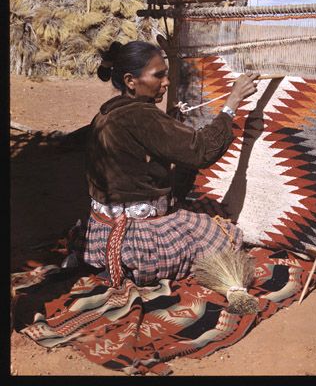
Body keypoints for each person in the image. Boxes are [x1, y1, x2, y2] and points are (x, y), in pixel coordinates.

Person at [71, 40, 258, 288]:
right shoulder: (142, 116)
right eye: (158, 76)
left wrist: (170, 123)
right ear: (130, 81)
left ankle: (98, 261)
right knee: (222, 236)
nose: (166, 82)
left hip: (100, 230)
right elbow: (200, 151)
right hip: (138, 237)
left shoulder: (106, 113)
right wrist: (232, 102)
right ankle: (132, 265)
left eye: (166, 74)